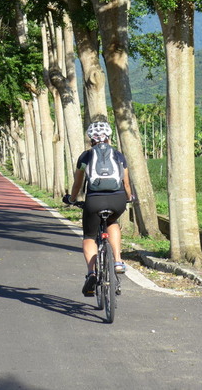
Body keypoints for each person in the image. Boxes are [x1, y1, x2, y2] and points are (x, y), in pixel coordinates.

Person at [62, 121, 133, 297]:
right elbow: (126, 183)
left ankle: (92, 273)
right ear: (109, 137)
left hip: (94, 201)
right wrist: (129, 197)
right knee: (112, 222)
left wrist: (71, 199)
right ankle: (117, 261)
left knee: (89, 236)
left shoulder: (85, 157)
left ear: (90, 139)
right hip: (117, 200)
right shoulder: (118, 155)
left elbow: (78, 183)